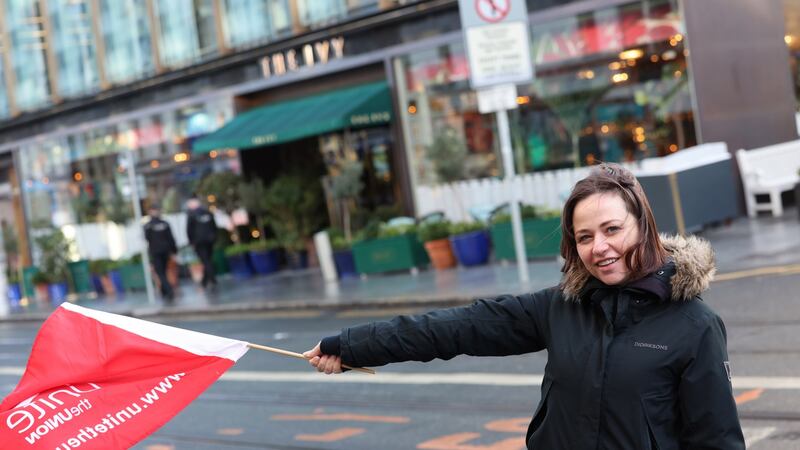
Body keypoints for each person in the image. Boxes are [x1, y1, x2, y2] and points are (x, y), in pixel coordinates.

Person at [304, 163, 745, 449]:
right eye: (585, 237)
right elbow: (456, 328)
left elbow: (718, 439)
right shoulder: (561, 307)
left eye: (612, 229)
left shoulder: (695, 325)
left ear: (643, 225)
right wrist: (352, 346)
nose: (600, 248)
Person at [143, 204, 177, 302]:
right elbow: (171, 238)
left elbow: (146, 238)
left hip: (156, 251)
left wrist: (174, 250)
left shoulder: (149, 225)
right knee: (162, 271)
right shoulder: (163, 223)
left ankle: (169, 290)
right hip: (162, 251)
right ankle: (164, 291)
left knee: (161, 272)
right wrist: (174, 250)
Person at [186, 196, 217, 290]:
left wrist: (192, 242)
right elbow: (214, 226)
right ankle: (205, 281)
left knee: (205, 260)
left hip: (199, 242)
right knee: (208, 259)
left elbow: (189, 230)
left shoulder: (191, 215)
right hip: (209, 240)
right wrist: (214, 237)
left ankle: (212, 279)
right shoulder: (208, 212)